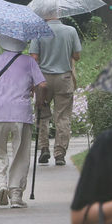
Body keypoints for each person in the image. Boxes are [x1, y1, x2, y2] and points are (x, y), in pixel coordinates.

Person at [0, 34, 46, 208]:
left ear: (3, 42)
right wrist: (40, 100)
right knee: (20, 153)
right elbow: (42, 85)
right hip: (21, 113)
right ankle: (16, 194)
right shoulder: (29, 61)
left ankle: (2, 184)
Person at [29, 16, 82, 166]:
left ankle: (44, 147)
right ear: (59, 14)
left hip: (43, 80)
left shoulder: (38, 31)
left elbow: (33, 57)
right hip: (64, 79)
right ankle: (59, 153)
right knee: (63, 117)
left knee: (42, 114)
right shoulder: (70, 31)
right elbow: (77, 56)